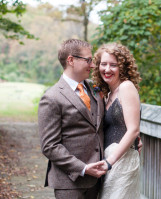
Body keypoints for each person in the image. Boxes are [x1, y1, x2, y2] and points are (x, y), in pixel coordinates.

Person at [38, 39, 107, 199]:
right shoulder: (51, 97)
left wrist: (131, 138)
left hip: (98, 180)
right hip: (69, 183)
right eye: (88, 60)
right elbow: (50, 146)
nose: (92, 65)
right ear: (71, 60)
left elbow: (105, 122)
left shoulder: (94, 88)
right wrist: (83, 168)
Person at [92, 42, 142, 198]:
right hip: (110, 160)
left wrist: (110, 161)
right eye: (103, 64)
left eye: (113, 65)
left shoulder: (126, 87)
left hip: (122, 160)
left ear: (123, 67)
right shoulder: (107, 94)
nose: (107, 69)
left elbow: (133, 129)